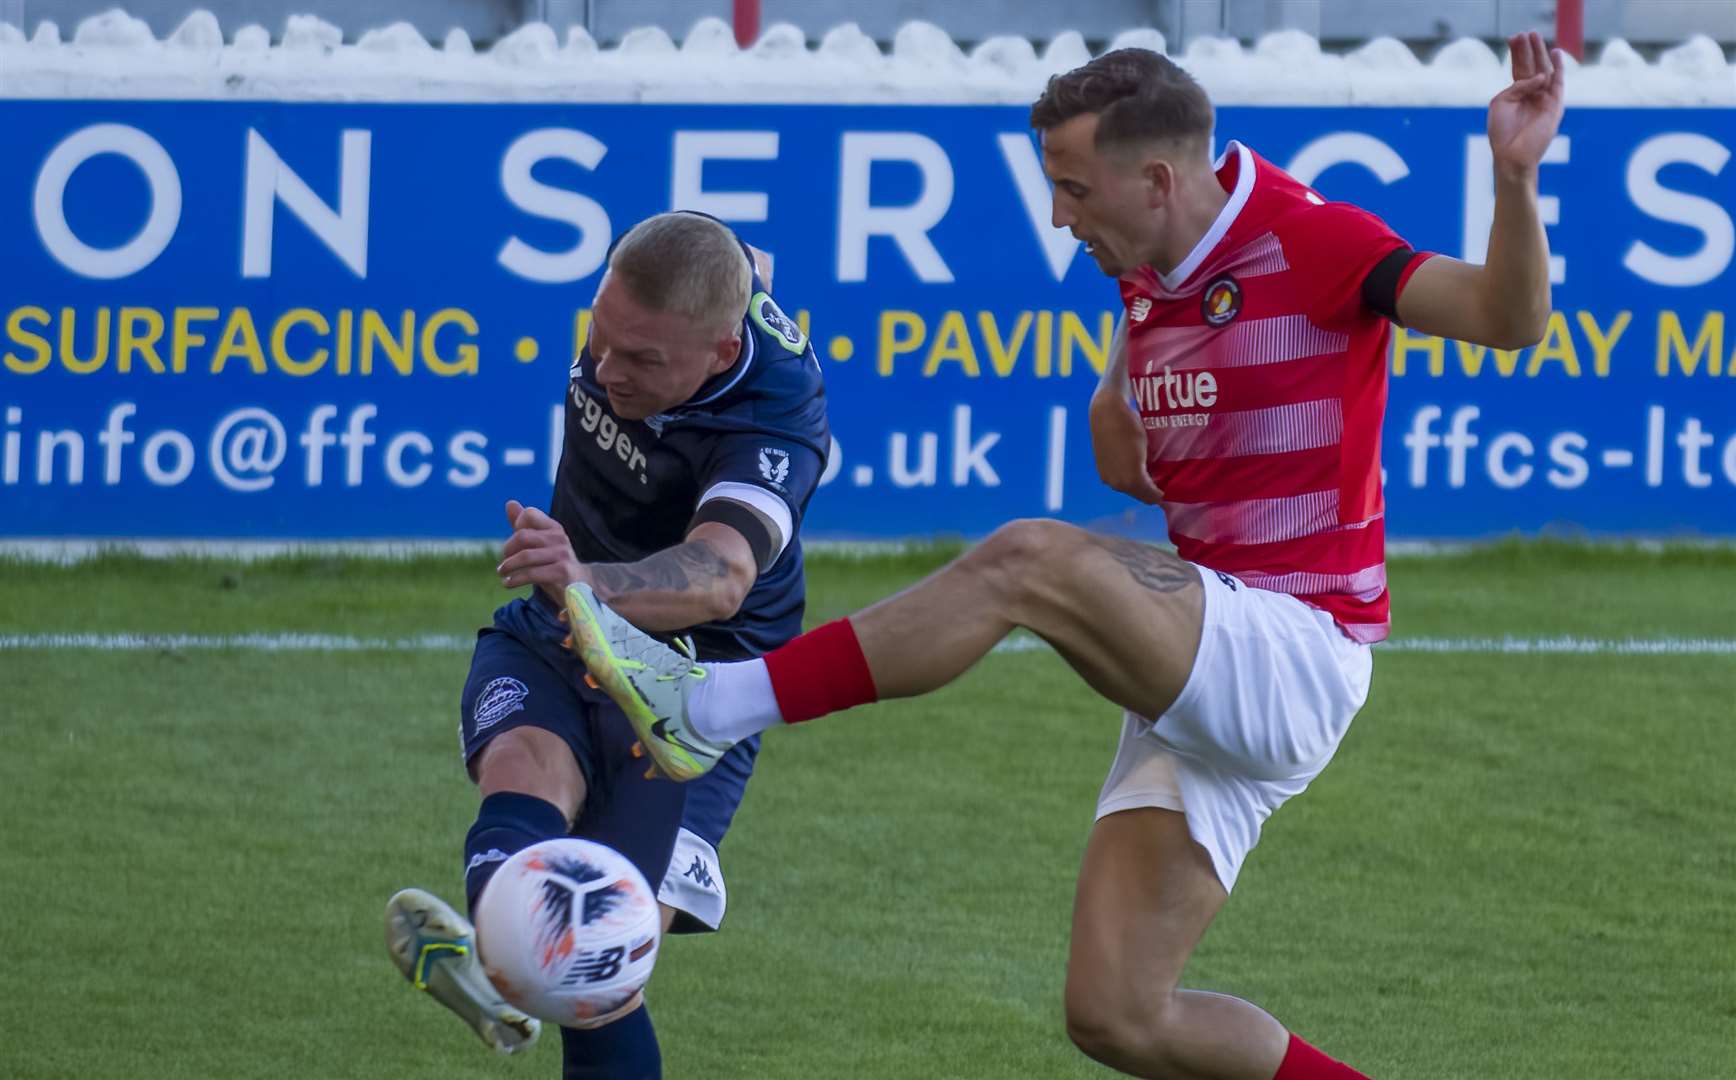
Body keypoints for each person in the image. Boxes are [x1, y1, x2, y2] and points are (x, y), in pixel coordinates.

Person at [563, 34, 1564, 1080]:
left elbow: (1508, 319)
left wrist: (1511, 174)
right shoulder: (1148, 273)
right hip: (1207, 656)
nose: (1058, 215)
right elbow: (1140, 470)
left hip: (1293, 649)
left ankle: (709, 707)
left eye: (1073, 188)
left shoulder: (1311, 240)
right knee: (1117, 1016)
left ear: (1158, 179)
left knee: (1026, 560)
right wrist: (1123, 396)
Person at [384, 211, 829, 1079]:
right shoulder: (713, 271)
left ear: (720, 347)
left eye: (644, 361)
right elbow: (742, 255)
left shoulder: (774, 424)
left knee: (602, 966)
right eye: (601, 338)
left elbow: (720, 573)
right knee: (520, 768)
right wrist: (574, 595)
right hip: (556, 634)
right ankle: (508, 963)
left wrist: (587, 577)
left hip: (690, 693)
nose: (606, 370)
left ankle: (512, 969)